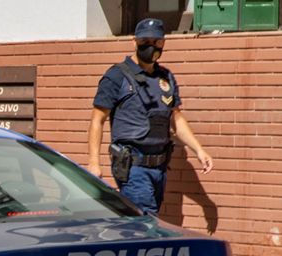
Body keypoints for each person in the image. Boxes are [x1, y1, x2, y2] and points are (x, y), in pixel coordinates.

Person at [87, 18, 213, 215]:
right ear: (134, 41)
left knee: (141, 224)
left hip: (160, 167)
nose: (151, 46)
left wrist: (199, 150)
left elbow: (176, 118)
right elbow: (98, 119)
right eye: (146, 41)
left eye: (157, 42)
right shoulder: (117, 76)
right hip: (133, 167)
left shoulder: (166, 77)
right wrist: (94, 163)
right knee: (145, 221)